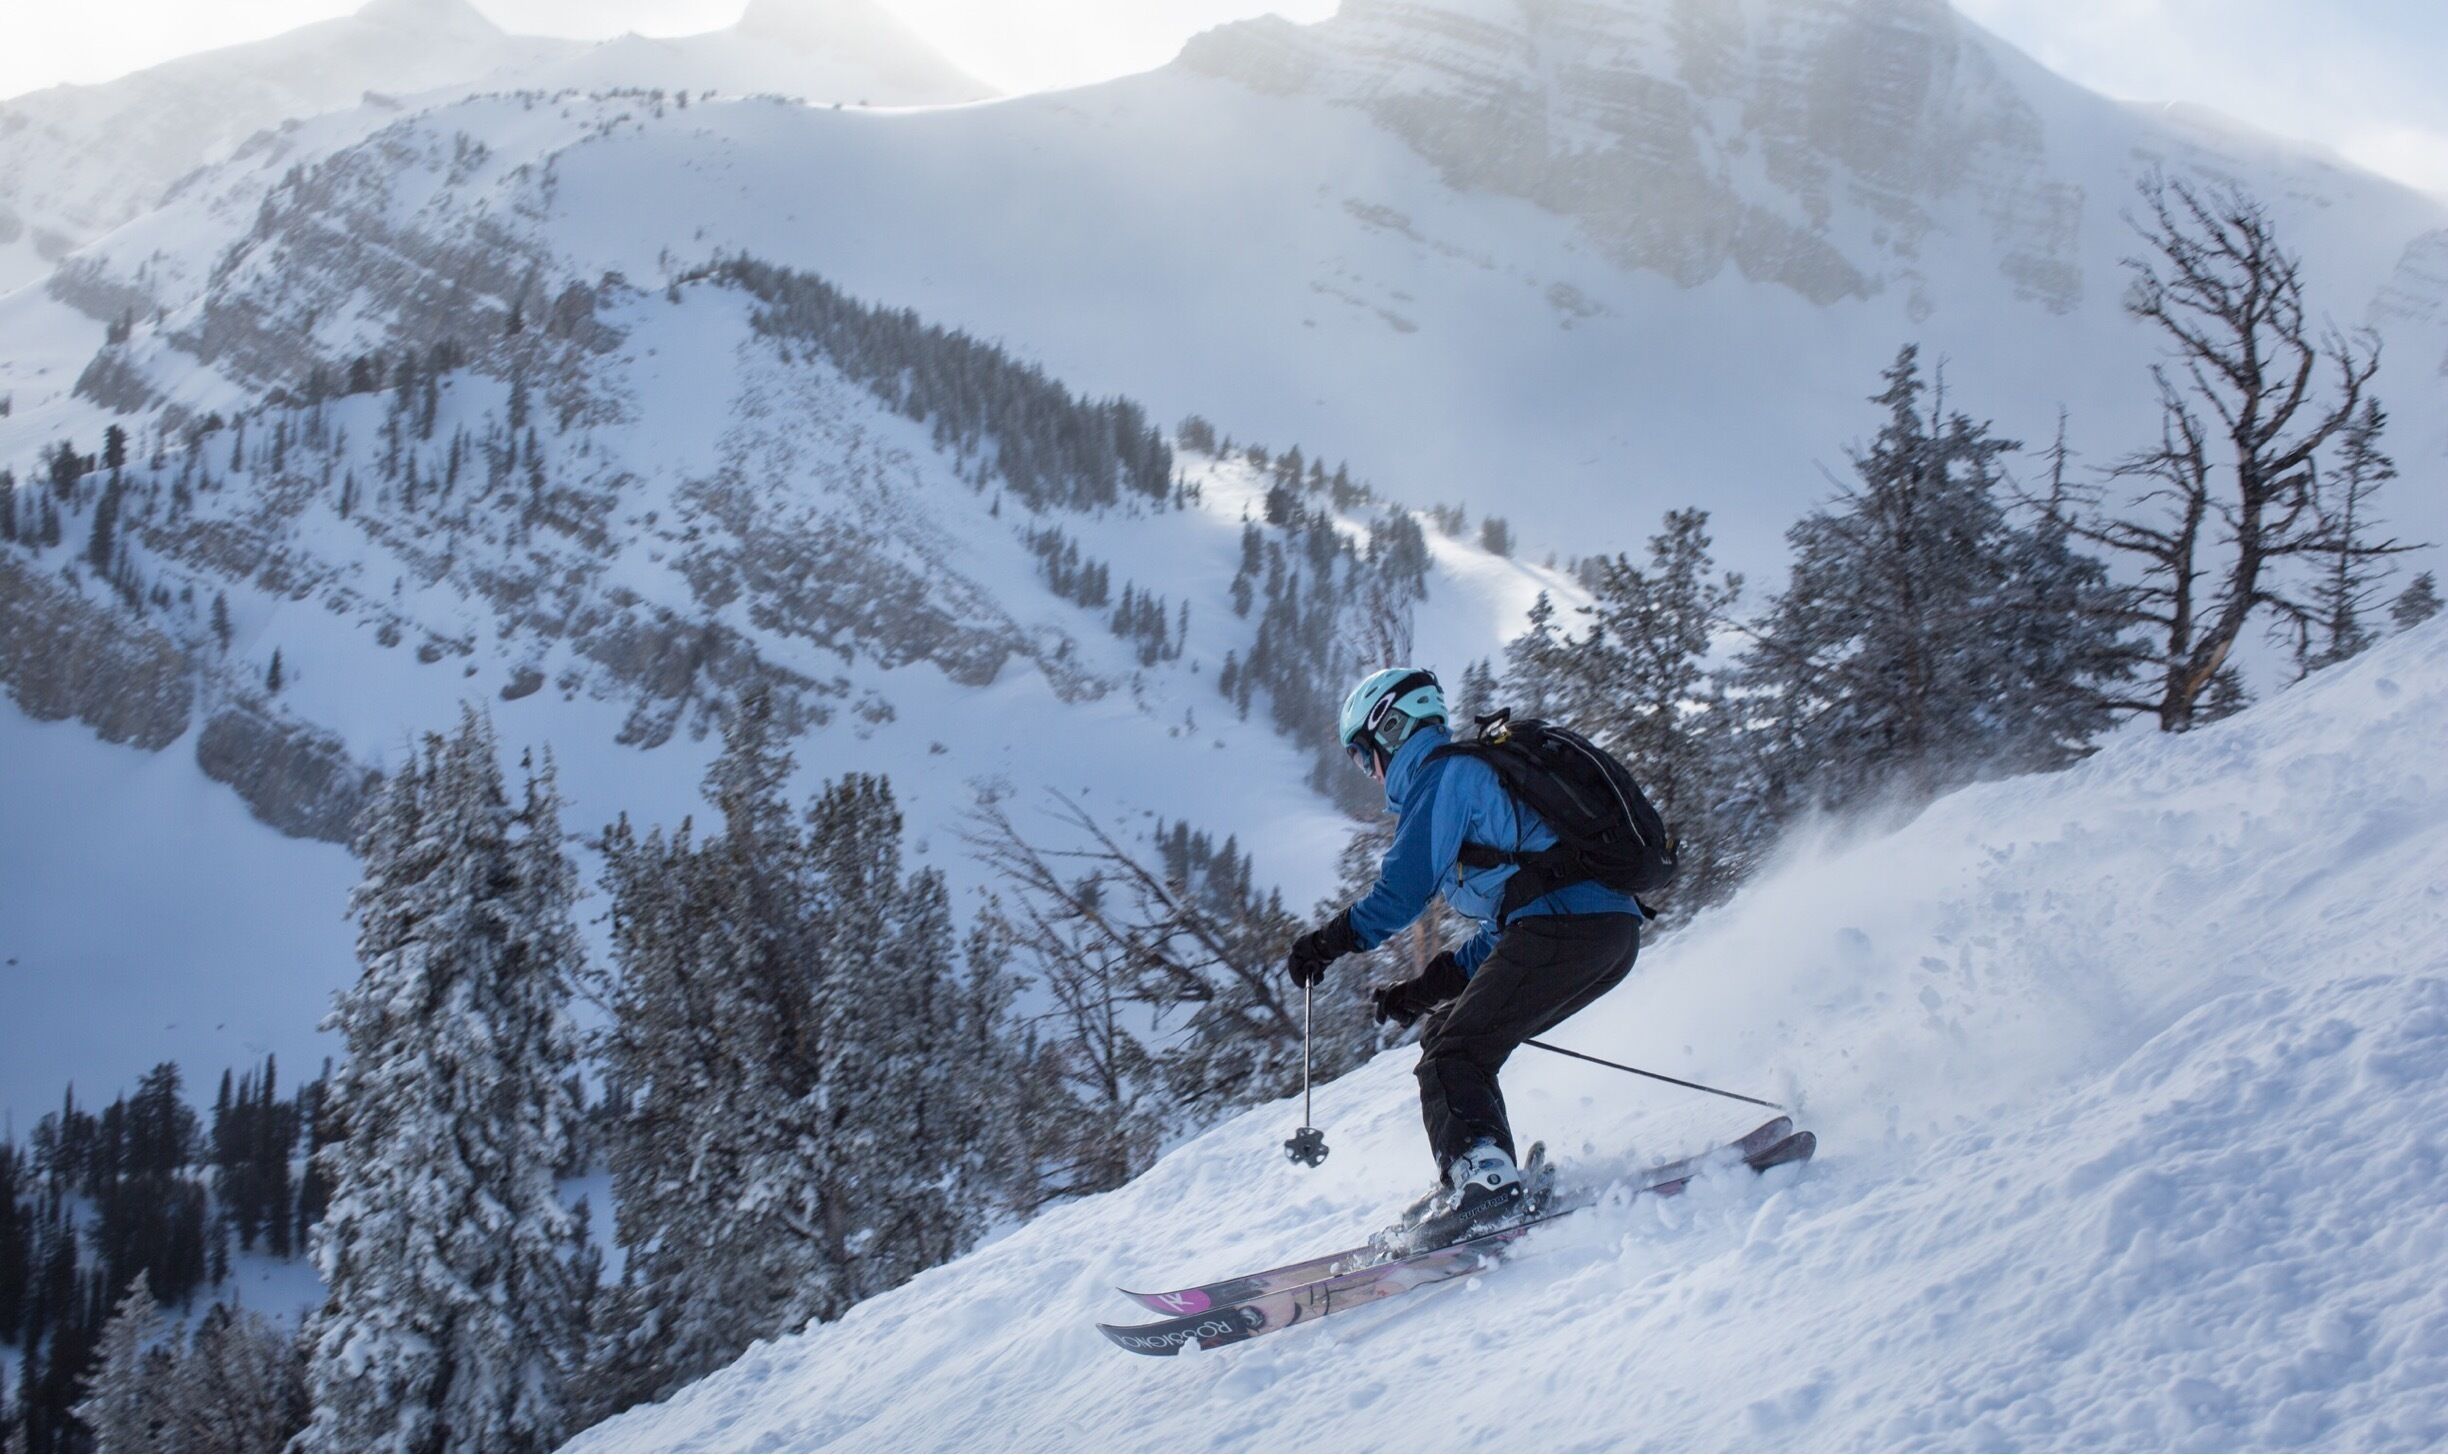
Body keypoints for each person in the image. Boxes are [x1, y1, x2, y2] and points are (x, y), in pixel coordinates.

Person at [1285, 666, 1644, 1237]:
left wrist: (1325, 944)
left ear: (1391, 728)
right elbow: (1514, 920)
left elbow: (1401, 892)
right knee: (1450, 1033)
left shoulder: (1443, 775)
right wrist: (1422, 991)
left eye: (1362, 754)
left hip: (1572, 927)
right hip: (1602, 932)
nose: (1368, 770)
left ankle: (1486, 1181)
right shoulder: (1465, 780)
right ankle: (1478, 1171)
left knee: (1455, 1049)